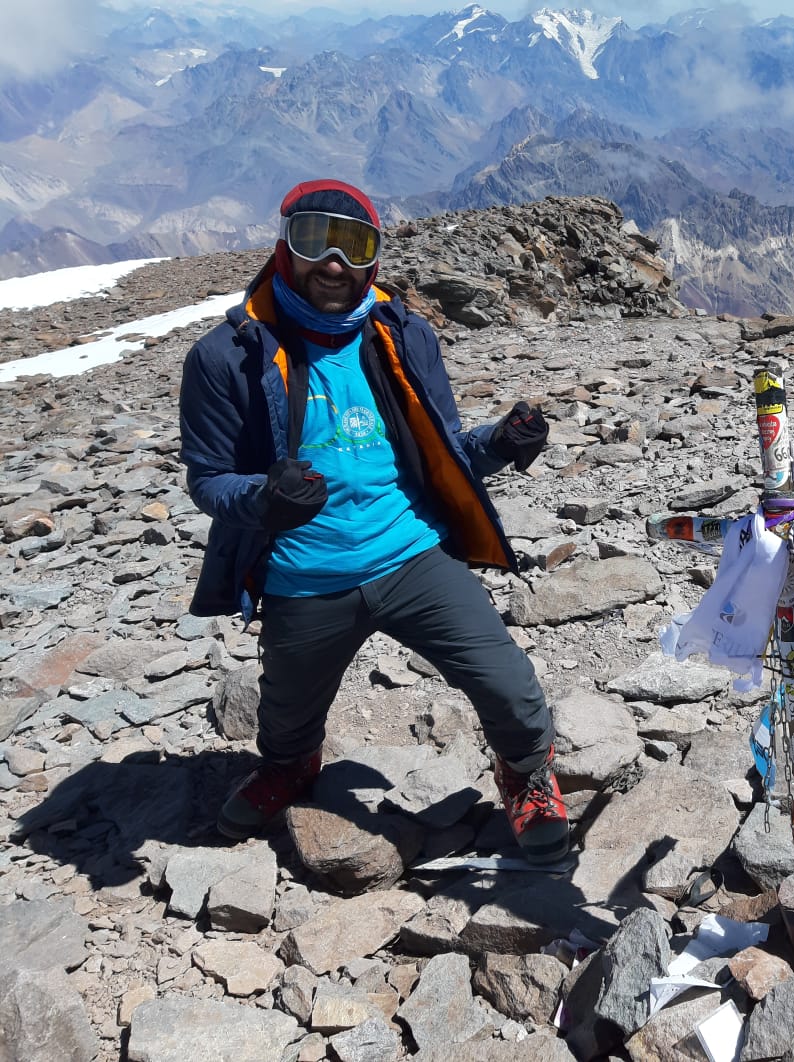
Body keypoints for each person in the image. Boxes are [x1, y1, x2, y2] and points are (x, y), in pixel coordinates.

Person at [178, 178, 568, 863]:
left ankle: (525, 772)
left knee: (507, 683)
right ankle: (291, 765)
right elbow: (209, 479)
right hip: (306, 572)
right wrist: (265, 500)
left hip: (411, 552)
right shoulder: (226, 356)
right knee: (285, 717)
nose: (333, 261)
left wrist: (500, 445)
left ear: (373, 261)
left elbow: (441, 446)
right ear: (283, 249)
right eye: (313, 239)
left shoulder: (402, 334)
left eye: (352, 244)